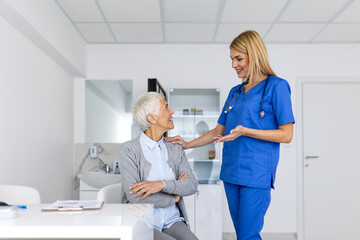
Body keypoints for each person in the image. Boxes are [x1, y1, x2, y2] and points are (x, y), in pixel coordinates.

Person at [165, 30, 295, 240]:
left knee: (248, 235)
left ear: (255, 55)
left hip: (256, 173)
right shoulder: (235, 92)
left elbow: (286, 134)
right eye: (232, 59)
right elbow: (219, 131)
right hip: (231, 172)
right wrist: (188, 144)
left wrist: (246, 131)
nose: (234, 64)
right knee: (242, 235)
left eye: (238, 58)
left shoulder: (277, 87)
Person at [119, 92, 199, 240]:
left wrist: (161, 185)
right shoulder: (129, 150)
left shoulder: (175, 148)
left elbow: (191, 185)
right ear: (152, 118)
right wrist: (173, 198)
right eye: (166, 107)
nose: (172, 111)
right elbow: (135, 197)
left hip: (172, 220)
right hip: (144, 222)